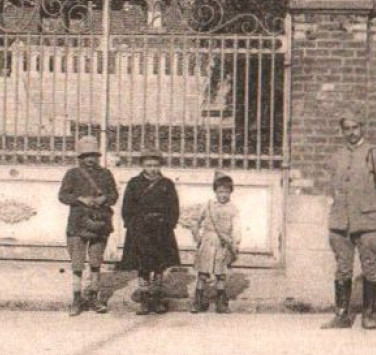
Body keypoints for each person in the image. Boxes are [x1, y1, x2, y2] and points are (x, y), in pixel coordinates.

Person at [322, 113, 376, 330]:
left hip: (369, 223)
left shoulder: (374, 155)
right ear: (341, 131)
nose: (351, 132)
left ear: (362, 128)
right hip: (340, 223)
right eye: (347, 128)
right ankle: (342, 315)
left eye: (355, 127)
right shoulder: (337, 157)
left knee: (371, 268)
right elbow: (330, 188)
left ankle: (369, 314)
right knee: (342, 269)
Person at [58, 135, 118, 316]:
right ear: (80, 158)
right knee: (77, 264)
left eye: (93, 155)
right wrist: (79, 198)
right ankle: (76, 299)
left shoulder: (106, 174)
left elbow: (114, 195)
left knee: (95, 262)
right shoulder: (72, 174)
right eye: (86, 156)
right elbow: (62, 196)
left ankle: (94, 297)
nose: (90, 159)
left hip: (100, 223)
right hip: (77, 224)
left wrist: (104, 199)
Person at [116, 150, 181, 315]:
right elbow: (127, 208)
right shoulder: (134, 183)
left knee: (159, 266)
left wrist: (168, 224)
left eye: (155, 165)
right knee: (143, 266)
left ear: (160, 166)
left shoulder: (167, 184)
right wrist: (132, 226)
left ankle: (157, 298)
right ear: (142, 165)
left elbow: (174, 208)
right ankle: (145, 299)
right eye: (148, 165)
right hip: (141, 231)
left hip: (160, 230)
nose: (152, 169)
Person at [182, 172, 240, 314]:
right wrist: (198, 236)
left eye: (227, 191)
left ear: (231, 192)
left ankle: (221, 303)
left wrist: (235, 243)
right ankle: (198, 301)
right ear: (215, 192)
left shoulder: (233, 209)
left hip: (223, 244)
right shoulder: (208, 206)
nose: (223, 195)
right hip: (207, 242)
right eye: (220, 191)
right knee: (203, 273)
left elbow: (236, 228)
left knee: (220, 274)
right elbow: (196, 220)